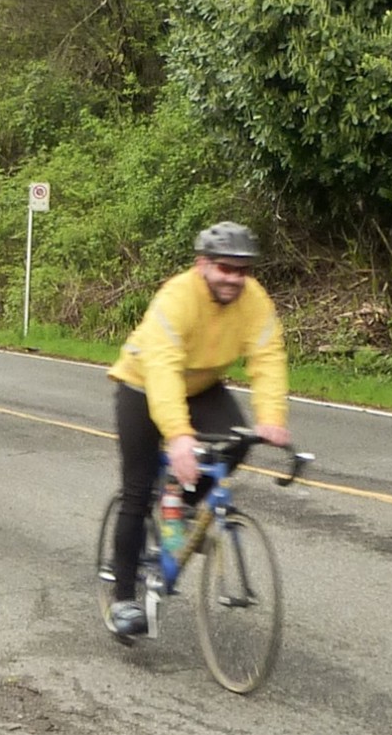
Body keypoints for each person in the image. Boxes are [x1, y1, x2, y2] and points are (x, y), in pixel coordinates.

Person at [105, 221, 291, 637]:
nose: (234, 278)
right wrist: (179, 436)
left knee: (238, 441)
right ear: (202, 264)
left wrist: (272, 418)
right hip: (143, 384)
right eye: (225, 268)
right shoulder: (177, 298)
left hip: (202, 385)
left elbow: (268, 358)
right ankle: (123, 598)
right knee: (137, 492)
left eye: (242, 270)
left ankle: (181, 502)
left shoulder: (254, 300)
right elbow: (162, 368)